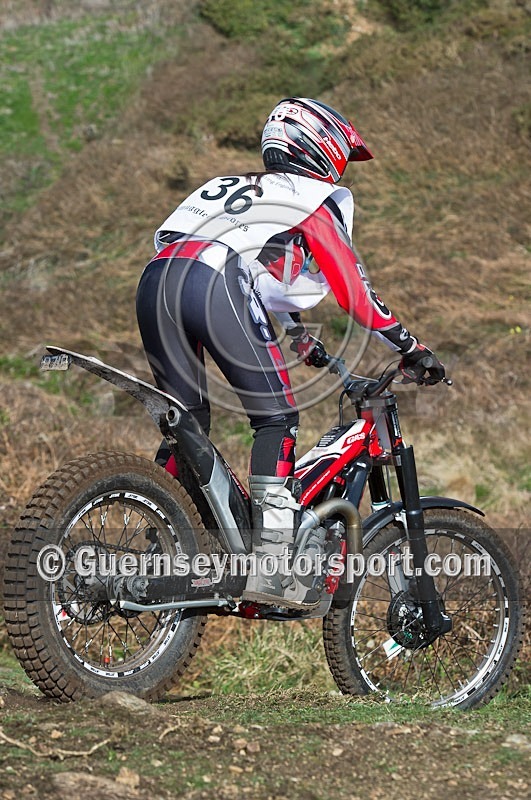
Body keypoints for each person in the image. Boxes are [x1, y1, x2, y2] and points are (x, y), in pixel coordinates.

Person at [136, 96, 445, 609]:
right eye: (341, 156)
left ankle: (152, 553)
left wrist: (296, 333)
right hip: (211, 281)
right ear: (320, 147)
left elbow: (256, 268)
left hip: (155, 280)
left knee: (185, 424)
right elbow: (356, 296)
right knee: (278, 417)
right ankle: (273, 563)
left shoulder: (237, 187)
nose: (341, 168)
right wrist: (412, 347)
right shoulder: (311, 197)